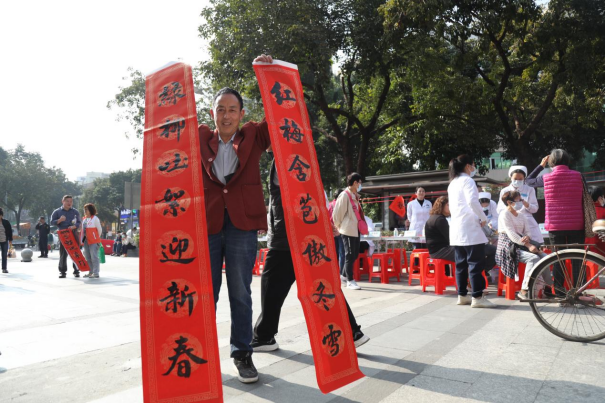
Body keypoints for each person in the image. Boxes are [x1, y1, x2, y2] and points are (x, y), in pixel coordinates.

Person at [198, 55, 274, 385]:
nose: (226, 115)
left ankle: (242, 352)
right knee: (206, 292)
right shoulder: (200, 138)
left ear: (242, 114)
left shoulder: (253, 135)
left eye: (232, 110)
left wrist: (268, 74)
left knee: (240, 292)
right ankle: (199, 352)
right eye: (221, 110)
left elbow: (281, 117)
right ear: (212, 114)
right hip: (208, 224)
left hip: (243, 224)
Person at [252, 160, 370, 353]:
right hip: (309, 236)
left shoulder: (284, 158)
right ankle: (352, 332)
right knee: (323, 286)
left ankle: (264, 336)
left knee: (272, 287)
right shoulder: (305, 161)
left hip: (287, 237)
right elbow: (318, 197)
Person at [447, 155, 496, 308]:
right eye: (473, 165)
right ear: (468, 166)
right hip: (470, 227)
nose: (474, 168)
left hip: (457, 228)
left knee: (461, 264)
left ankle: (462, 295)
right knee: (476, 264)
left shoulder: (452, 183)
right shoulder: (468, 180)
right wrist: (483, 217)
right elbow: (472, 201)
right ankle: (477, 297)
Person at [534, 150, 585, 294]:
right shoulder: (579, 176)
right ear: (568, 160)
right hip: (577, 224)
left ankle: (559, 292)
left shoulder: (546, 178)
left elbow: (528, 181)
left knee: (558, 259)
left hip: (555, 226)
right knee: (577, 259)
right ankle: (578, 292)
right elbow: (585, 196)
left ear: (551, 162)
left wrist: (541, 166)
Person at [496, 191, 553, 300]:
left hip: (522, 243)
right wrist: (528, 245)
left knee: (545, 258)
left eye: (521, 200)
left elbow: (528, 232)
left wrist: (527, 237)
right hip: (508, 245)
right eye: (518, 200)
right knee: (533, 258)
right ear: (509, 202)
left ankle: (548, 287)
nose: (521, 202)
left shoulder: (521, 215)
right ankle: (524, 290)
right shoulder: (504, 214)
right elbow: (511, 234)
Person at [333, 173, 365, 291]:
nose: (360, 185)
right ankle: (350, 280)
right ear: (355, 182)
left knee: (354, 254)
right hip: (347, 230)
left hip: (355, 229)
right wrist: (339, 227)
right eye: (360, 183)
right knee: (349, 254)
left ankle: (344, 275)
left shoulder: (355, 195)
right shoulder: (344, 195)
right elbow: (337, 214)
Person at [497, 166, 544, 245]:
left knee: (535, 244)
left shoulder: (529, 189)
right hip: (511, 221)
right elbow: (500, 209)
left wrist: (526, 204)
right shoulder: (505, 191)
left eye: (520, 179)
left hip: (528, 221)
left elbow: (535, 208)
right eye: (515, 178)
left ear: (524, 178)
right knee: (516, 245)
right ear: (510, 177)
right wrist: (512, 211)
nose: (517, 181)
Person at [51, 195, 82, 279]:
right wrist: (59, 220)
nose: (69, 203)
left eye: (71, 201)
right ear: (63, 201)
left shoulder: (75, 211)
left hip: (73, 233)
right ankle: (62, 272)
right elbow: (52, 222)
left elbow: (79, 222)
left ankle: (76, 270)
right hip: (63, 234)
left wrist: (74, 226)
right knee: (63, 253)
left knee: (76, 252)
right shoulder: (57, 212)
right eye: (67, 201)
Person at [425, 196, 455, 263]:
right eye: (448, 205)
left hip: (434, 251)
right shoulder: (440, 219)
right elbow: (450, 238)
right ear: (441, 206)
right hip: (440, 251)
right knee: (464, 252)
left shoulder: (433, 218)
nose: (450, 207)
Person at [329, 190, 347, 282]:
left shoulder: (329, 205)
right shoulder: (342, 205)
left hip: (331, 231)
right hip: (341, 230)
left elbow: (326, 218)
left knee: (334, 253)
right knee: (342, 253)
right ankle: (341, 273)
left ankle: (333, 273)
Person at [81, 204, 102, 279]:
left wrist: (95, 237)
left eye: (86, 209)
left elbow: (99, 230)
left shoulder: (95, 218)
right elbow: (83, 232)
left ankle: (96, 273)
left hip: (94, 241)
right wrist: (82, 241)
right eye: (84, 209)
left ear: (90, 210)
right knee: (87, 257)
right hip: (86, 241)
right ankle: (90, 272)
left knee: (94, 257)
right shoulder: (84, 219)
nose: (85, 211)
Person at [586, 186, 605, 253]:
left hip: (585, 253)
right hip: (602, 252)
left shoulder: (582, 213)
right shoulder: (603, 211)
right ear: (599, 198)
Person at [0, 208, 14, 274]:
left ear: (1, 215)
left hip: (4, 240)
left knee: (4, 255)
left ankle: (4, 268)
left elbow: (10, 231)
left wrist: (10, 240)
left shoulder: (6, 222)